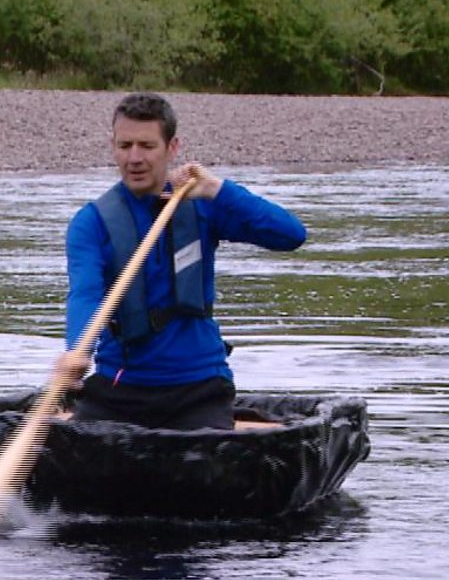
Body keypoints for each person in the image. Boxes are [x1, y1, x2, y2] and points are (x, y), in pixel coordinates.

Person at [56, 92, 307, 430]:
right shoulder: (92, 222)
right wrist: (77, 349)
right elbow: (85, 293)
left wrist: (218, 189)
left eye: (147, 146)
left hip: (198, 385)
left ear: (172, 148)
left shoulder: (202, 205)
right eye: (125, 145)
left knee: (208, 453)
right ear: (113, 146)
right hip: (120, 385)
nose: (134, 158)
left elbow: (291, 235)